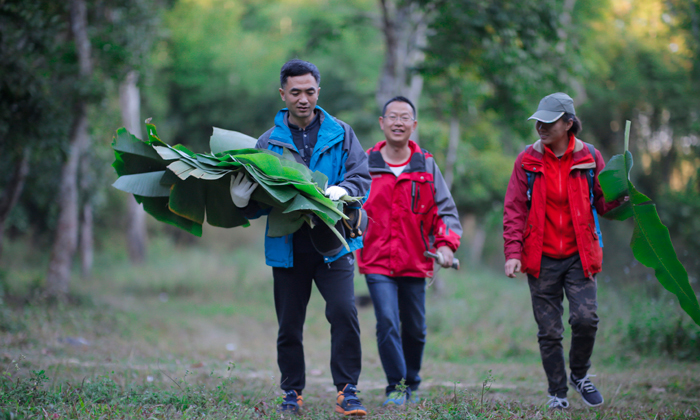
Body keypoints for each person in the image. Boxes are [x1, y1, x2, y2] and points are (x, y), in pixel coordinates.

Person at [229, 59, 371, 416]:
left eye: (309, 91)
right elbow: (258, 205)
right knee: (289, 323)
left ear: (318, 91)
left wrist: (344, 190)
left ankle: (348, 389)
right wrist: (242, 202)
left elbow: (361, 177)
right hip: (288, 246)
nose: (303, 98)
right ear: (283, 94)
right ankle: (292, 392)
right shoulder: (266, 143)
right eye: (295, 92)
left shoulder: (342, 133)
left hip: (333, 242)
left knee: (343, 312)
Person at [503, 92, 622, 409]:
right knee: (549, 331)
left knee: (586, 320)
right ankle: (557, 392)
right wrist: (513, 252)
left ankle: (580, 375)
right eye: (538, 121)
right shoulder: (527, 160)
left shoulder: (589, 157)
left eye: (548, 121)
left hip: (579, 256)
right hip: (540, 258)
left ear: (569, 123)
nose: (540, 126)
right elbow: (514, 209)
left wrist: (621, 195)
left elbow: (602, 202)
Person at [357, 96, 462, 406]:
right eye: (392, 116)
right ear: (382, 123)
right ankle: (396, 387)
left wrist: (445, 244)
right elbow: (350, 207)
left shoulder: (426, 165)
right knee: (387, 321)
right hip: (376, 260)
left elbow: (447, 213)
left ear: (414, 125)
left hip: (415, 261)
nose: (398, 122)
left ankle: (412, 381)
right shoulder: (365, 163)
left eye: (405, 117)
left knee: (415, 328)